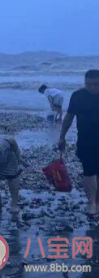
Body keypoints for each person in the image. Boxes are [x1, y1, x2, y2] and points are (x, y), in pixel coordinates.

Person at [59, 69, 99, 217]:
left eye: (96, 84)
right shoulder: (78, 96)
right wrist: (62, 136)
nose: (93, 88)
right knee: (89, 171)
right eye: (89, 85)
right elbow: (69, 117)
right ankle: (92, 203)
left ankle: (97, 201)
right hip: (85, 140)